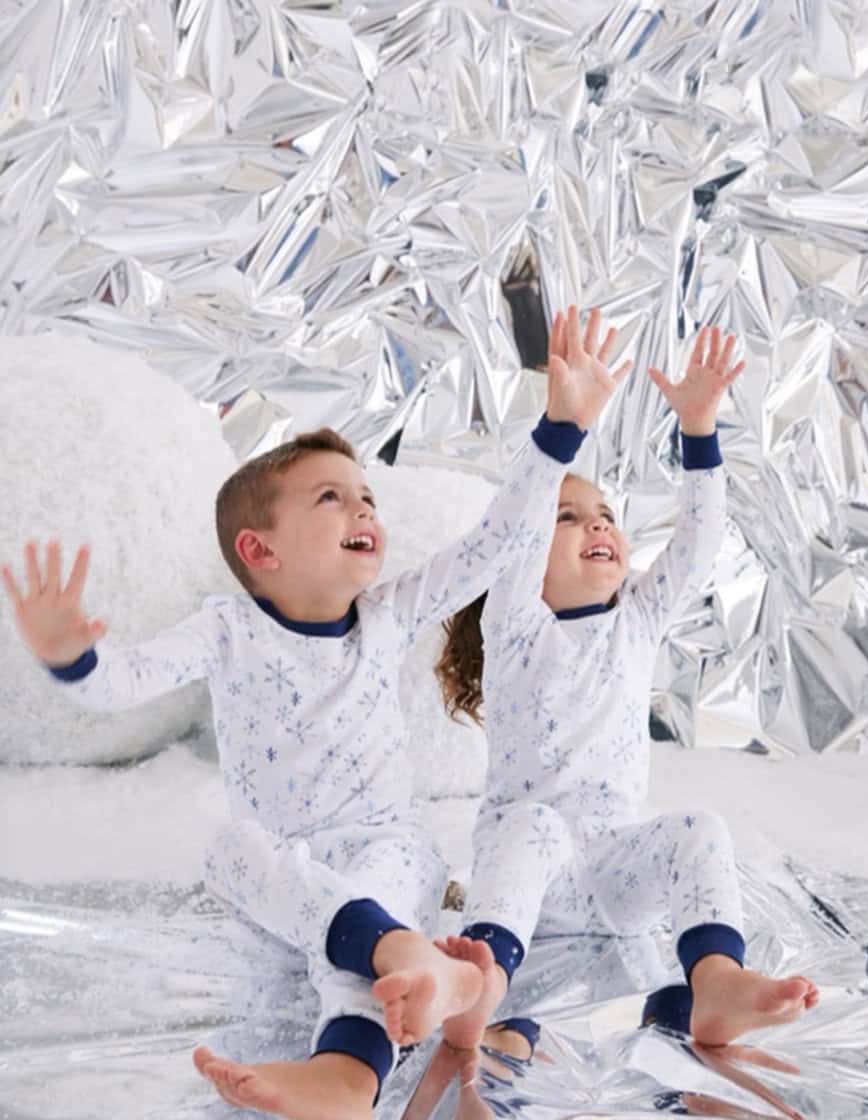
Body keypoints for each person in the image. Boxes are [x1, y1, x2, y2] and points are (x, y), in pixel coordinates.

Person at [1, 307, 629, 1120]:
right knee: (230, 850)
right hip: (286, 865)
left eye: (368, 496)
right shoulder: (227, 630)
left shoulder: (389, 616)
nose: (366, 511)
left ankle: (348, 1072)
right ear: (260, 551)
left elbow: (498, 542)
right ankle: (403, 954)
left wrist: (560, 430)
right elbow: (129, 680)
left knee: (365, 904)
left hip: (387, 849)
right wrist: (69, 658)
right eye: (333, 498)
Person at [433, 320, 819, 1063]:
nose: (597, 525)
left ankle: (716, 981)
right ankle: (478, 981)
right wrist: (563, 427)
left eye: (606, 515)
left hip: (615, 873)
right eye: (568, 518)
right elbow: (514, 528)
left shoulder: (635, 622)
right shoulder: (518, 626)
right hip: (530, 881)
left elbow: (698, 544)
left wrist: (699, 428)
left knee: (700, 827)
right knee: (534, 825)